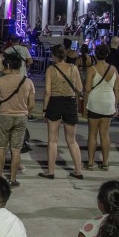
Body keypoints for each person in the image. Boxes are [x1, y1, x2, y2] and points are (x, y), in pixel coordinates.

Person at [40, 44, 84, 180]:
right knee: (72, 140)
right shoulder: (73, 68)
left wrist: (44, 109)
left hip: (55, 102)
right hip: (70, 103)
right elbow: (80, 88)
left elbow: (47, 91)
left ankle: (51, 171)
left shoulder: (51, 70)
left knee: (52, 140)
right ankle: (78, 170)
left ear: (54, 56)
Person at [0, 53, 35, 187]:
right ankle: (12, 178)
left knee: (1, 147)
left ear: (9, 65)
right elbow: (32, 104)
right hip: (21, 117)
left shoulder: (0, 81)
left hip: (4, 116)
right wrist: (25, 112)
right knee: (16, 149)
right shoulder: (28, 82)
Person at [84, 43, 119, 171]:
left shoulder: (92, 69)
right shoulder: (113, 69)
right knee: (105, 134)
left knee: (92, 134)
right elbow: (118, 88)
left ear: (95, 54)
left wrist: (84, 107)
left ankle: (91, 162)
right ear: (107, 54)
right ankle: (105, 163)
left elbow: (87, 89)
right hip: (109, 102)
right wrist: (116, 106)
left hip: (94, 102)